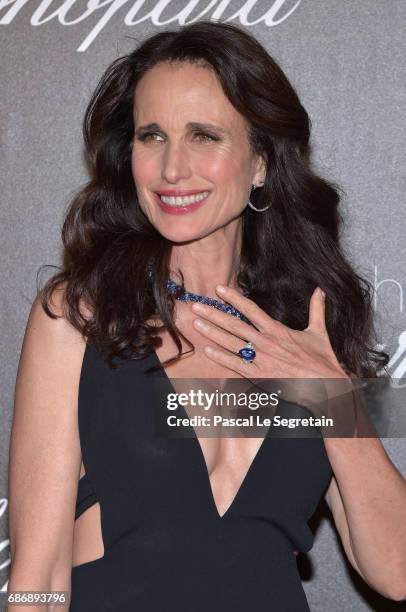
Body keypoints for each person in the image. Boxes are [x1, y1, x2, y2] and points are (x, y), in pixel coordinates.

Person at [7, 20, 406, 612]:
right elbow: (37, 577)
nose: (172, 169)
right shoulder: (79, 317)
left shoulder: (315, 328)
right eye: (151, 136)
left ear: (262, 162)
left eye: (203, 136)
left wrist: (332, 396)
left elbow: (396, 573)